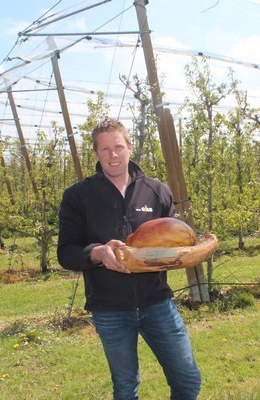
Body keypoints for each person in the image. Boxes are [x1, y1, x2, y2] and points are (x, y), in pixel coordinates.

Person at [57, 118, 201, 400]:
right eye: (105, 149)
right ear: (95, 153)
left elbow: (176, 238)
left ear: (130, 147)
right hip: (110, 308)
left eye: (119, 147)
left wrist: (190, 251)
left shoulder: (157, 191)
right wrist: (97, 253)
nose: (113, 155)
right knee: (125, 388)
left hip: (157, 302)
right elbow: (66, 252)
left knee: (188, 380)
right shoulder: (78, 196)